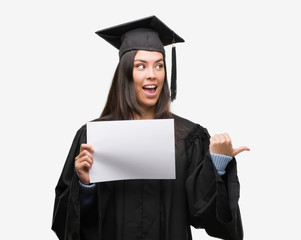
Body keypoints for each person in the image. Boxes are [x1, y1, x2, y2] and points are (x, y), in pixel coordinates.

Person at [52, 16, 249, 240]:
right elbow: (67, 225)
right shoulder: (93, 137)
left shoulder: (188, 137)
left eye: (159, 65)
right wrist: (85, 187)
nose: (152, 74)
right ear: (125, 74)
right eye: (140, 66)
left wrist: (218, 165)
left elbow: (206, 217)